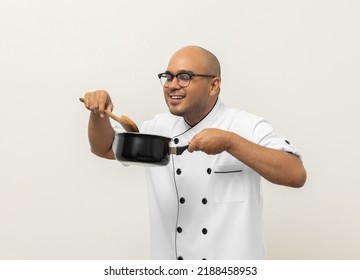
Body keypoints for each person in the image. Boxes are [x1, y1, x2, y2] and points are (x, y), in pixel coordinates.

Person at [81, 45, 307, 260]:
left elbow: (295, 174)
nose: (172, 85)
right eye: (168, 77)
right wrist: (97, 114)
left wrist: (230, 142)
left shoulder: (245, 125)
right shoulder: (158, 129)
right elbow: (104, 148)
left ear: (214, 85)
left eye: (184, 76)